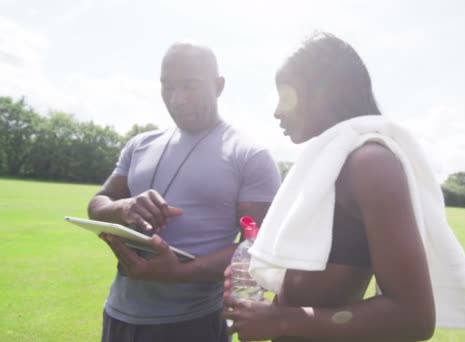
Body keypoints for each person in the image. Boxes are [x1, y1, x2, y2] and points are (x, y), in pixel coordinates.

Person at [223, 32, 436, 341]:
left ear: (323, 93)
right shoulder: (324, 168)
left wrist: (282, 321)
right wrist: (264, 303)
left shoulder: (370, 164)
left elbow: (415, 317)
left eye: (286, 95)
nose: (277, 111)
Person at [88, 42, 281, 342]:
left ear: (219, 86)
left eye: (190, 85)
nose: (177, 99)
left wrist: (179, 273)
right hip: (119, 313)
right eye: (168, 87)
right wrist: (124, 207)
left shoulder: (249, 155)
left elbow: (256, 248)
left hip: (193, 323)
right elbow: (98, 203)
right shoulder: (140, 144)